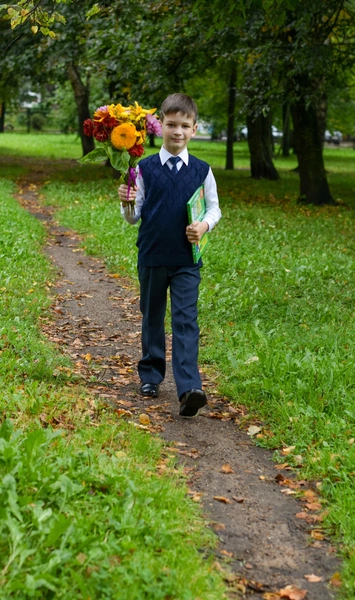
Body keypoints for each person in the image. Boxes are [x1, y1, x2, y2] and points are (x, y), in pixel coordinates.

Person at [118, 93, 221, 417]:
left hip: (187, 260)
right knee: (152, 316)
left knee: (185, 320)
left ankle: (189, 387)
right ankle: (150, 375)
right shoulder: (144, 168)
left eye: (185, 126)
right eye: (172, 124)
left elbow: (215, 208)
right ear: (160, 124)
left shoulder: (202, 171)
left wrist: (204, 225)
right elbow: (133, 217)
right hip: (151, 255)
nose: (177, 131)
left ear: (194, 129)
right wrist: (127, 200)